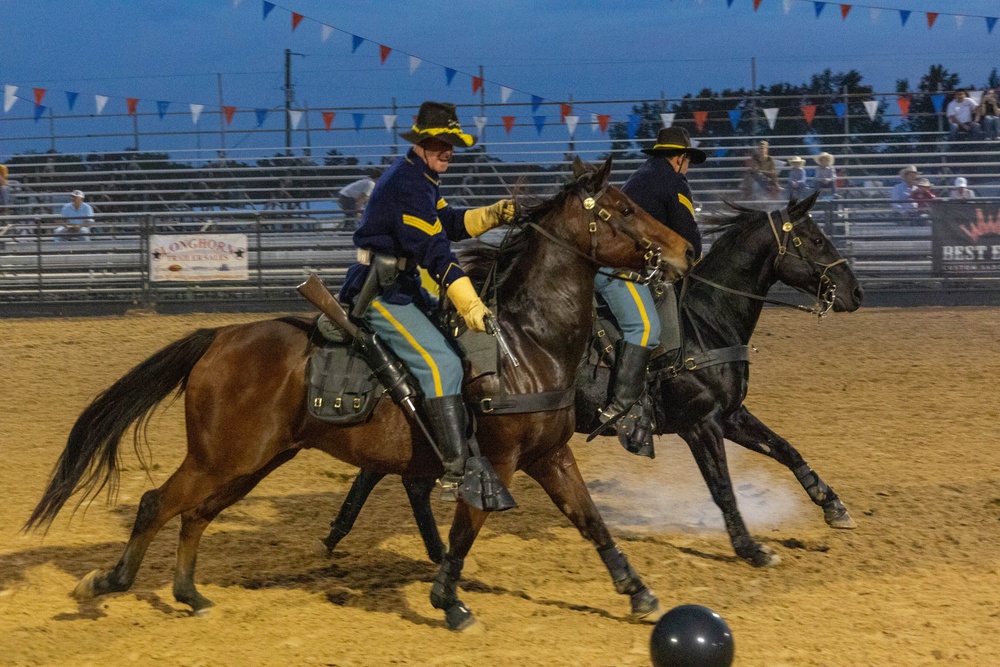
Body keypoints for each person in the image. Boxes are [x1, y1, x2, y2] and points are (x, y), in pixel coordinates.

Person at [339, 101, 515, 505]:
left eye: (452, 143)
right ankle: (453, 469)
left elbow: (448, 223)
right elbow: (436, 252)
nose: (448, 149)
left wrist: (495, 214)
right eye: (441, 142)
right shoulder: (407, 183)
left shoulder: (419, 179)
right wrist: (470, 303)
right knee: (444, 364)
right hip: (380, 292)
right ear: (421, 142)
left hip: (400, 285)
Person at [593, 126, 705, 452]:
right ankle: (623, 406)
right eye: (687, 161)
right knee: (645, 328)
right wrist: (694, 263)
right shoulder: (675, 183)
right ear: (681, 159)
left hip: (611, 263)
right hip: (618, 269)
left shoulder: (641, 176)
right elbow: (687, 235)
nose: (687, 167)